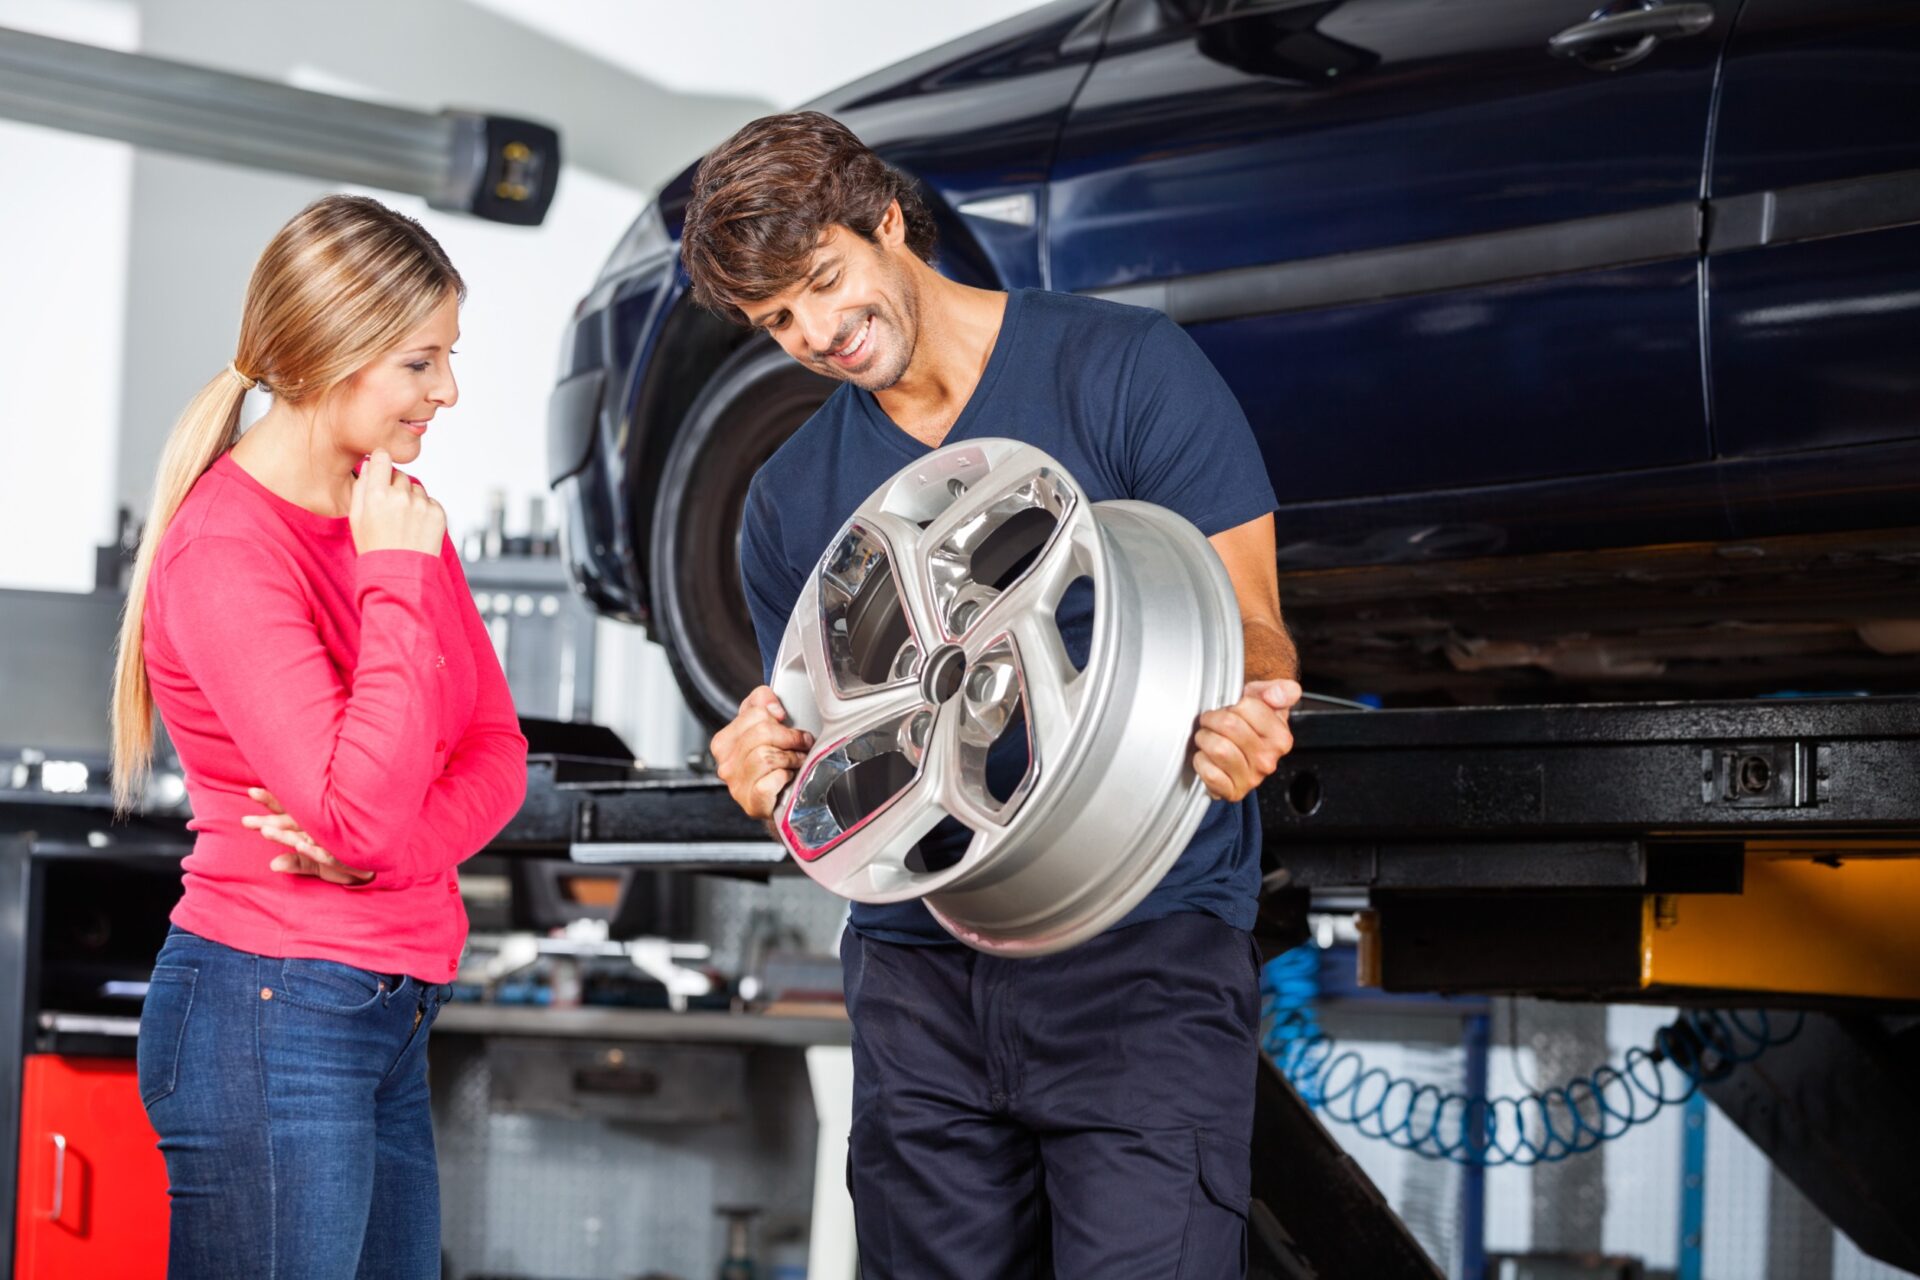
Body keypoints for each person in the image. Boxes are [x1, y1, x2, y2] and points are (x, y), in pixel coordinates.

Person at [685, 112, 1302, 1278]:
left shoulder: (1125, 367)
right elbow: (834, 745)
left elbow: (1247, 614)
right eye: (777, 321)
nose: (818, 332)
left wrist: (1255, 701)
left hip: (1143, 944)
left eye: (824, 280)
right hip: (921, 973)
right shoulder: (788, 498)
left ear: (887, 222)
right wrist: (765, 765)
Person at [109, 194, 528, 1279]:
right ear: (332, 352)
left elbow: (497, 754)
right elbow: (358, 808)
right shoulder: (228, 548)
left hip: (386, 1013)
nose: (448, 391)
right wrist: (391, 577)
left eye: (448, 358)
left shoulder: (396, 510)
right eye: (419, 362)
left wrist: (390, 847)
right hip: (271, 1012)